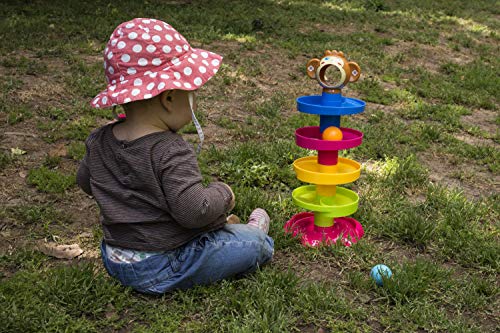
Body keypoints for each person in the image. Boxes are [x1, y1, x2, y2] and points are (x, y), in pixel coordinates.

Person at [76, 18, 274, 294]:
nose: (196, 101)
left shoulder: (99, 139)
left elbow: (86, 181)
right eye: (193, 95)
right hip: (163, 263)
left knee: (207, 236)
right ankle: (250, 232)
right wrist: (224, 193)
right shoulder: (169, 150)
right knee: (254, 245)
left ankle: (219, 235)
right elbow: (194, 211)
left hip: (116, 259)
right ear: (168, 98)